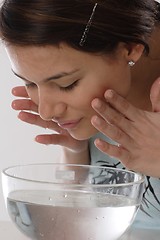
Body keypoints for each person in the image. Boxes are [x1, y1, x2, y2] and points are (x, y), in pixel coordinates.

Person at [0, 0, 160, 230]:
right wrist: (76, 152)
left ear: (130, 47)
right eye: (29, 83)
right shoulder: (95, 106)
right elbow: (83, 219)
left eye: (67, 84)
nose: (46, 112)